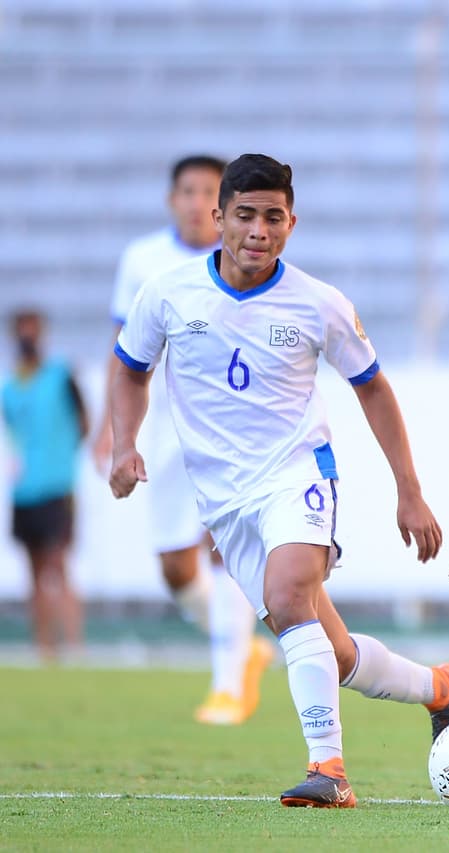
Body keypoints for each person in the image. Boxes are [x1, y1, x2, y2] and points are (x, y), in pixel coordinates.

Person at [109, 153, 449, 808]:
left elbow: (374, 389)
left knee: (289, 591)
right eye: (245, 215)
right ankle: (439, 689)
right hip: (223, 499)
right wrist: (123, 443)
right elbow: (129, 367)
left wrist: (408, 489)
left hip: (299, 472)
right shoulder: (168, 293)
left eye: (273, 217)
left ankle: (329, 768)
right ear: (219, 217)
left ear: (291, 223)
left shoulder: (319, 302)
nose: (258, 230)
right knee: (330, 647)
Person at [92, 154, 273, 726]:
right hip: (164, 428)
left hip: (231, 427)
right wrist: (113, 429)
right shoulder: (144, 261)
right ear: (172, 199)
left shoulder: (249, 260)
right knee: (175, 566)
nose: (196, 202)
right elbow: (123, 352)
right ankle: (247, 652)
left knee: (227, 551)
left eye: (207, 193)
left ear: (223, 209)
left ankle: (227, 683)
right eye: (186, 191)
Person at [3, 310, 87, 661]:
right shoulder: (9, 387)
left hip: (57, 485)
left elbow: (84, 420)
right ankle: (44, 649)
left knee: (58, 564)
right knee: (34, 571)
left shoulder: (61, 376)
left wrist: (61, 458)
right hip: (25, 490)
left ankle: (73, 646)